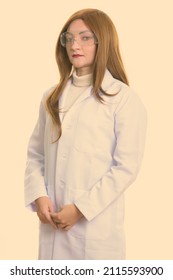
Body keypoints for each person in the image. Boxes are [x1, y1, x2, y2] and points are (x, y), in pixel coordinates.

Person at [24, 8, 147, 260]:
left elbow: (126, 168)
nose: (74, 45)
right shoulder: (51, 97)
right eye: (68, 38)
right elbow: (36, 154)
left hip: (96, 233)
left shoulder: (122, 99)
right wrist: (38, 195)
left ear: (103, 41)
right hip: (52, 228)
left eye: (84, 37)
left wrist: (80, 209)